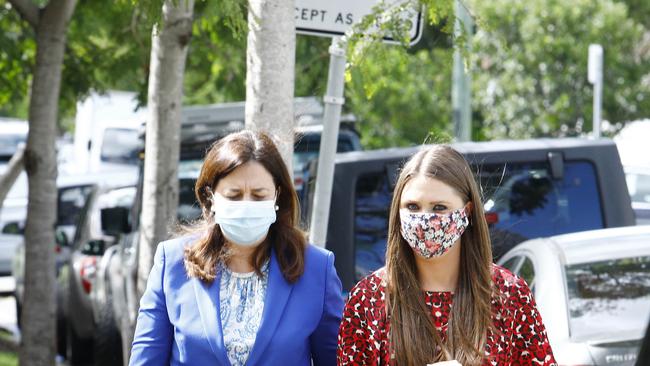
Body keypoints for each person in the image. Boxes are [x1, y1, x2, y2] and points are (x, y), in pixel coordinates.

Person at [129, 130, 344, 366]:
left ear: (277, 196)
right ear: (211, 197)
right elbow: (146, 359)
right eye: (234, 195)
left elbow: (335, 360)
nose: (246, 205)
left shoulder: (316, 268)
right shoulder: (171, 262)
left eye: (259, 195)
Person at [337, 145, 556, 366]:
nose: (424, 220)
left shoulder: (508, 295)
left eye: (439, 207)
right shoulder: (367, 299)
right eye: (412, 207)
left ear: (467, 213)